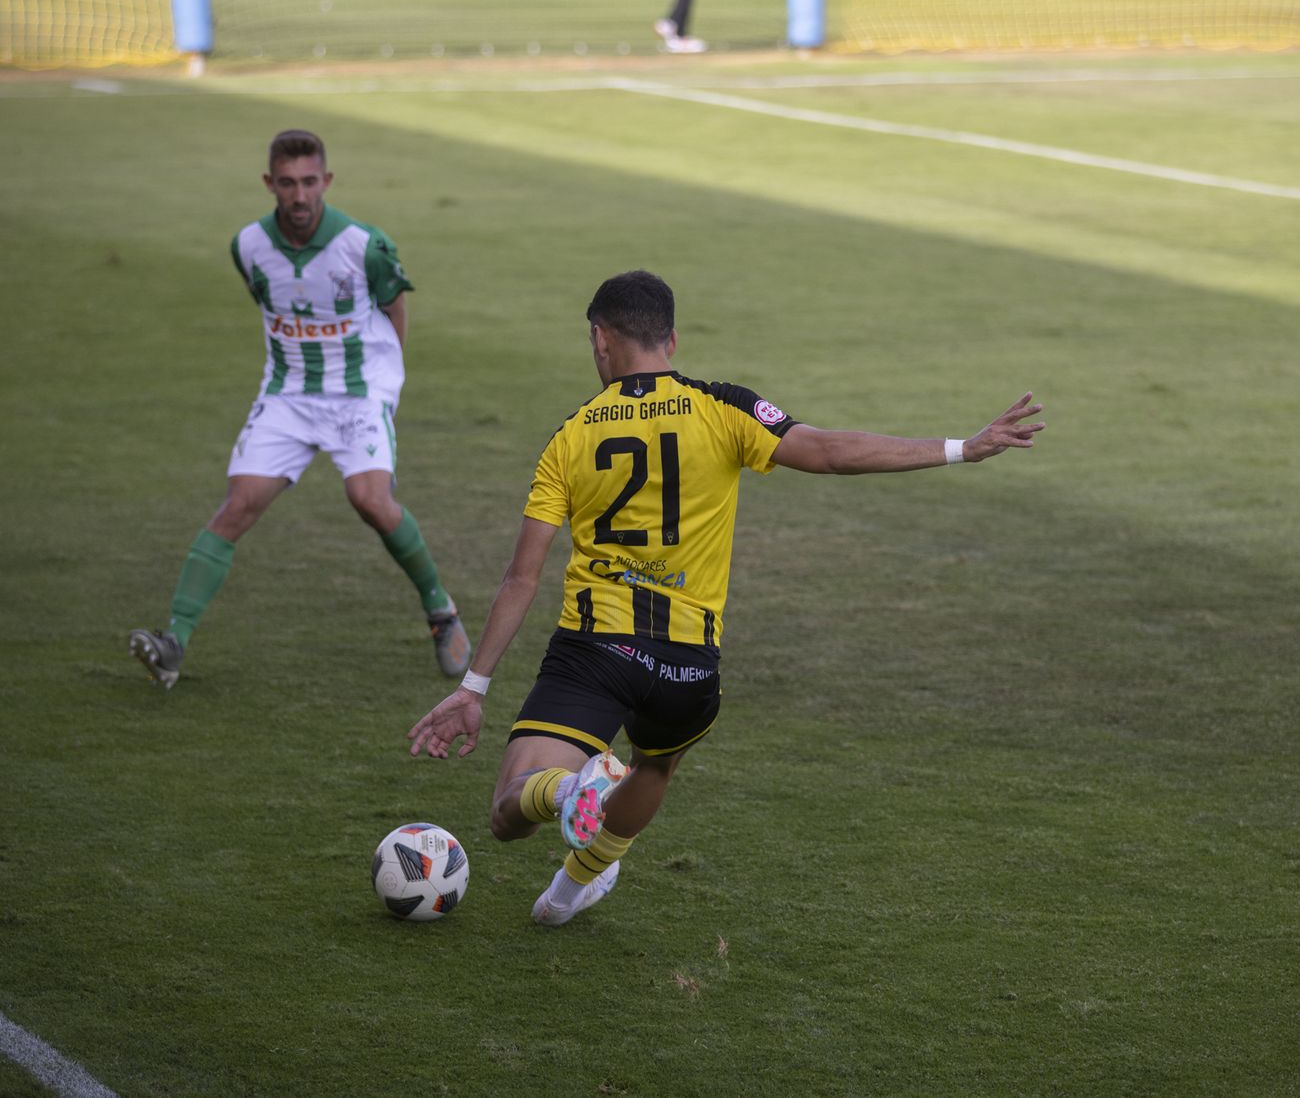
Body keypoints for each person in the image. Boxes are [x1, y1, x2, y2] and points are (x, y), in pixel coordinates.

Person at [406, 270, 1044, 926]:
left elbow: (521, 578)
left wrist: (474, 687)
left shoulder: (571, 437)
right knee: (654, 765)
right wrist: (963, 447)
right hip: (687, 667)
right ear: (672, 340)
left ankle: (568, 789)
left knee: (512, 810)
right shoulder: (723, 408)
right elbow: (827, 452)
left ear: (600, 340)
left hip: (596, 651)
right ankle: (568, 893)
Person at [129, 129, 470, 689]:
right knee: (236, 507)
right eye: (287, 184)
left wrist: (388, 382)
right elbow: (271, 302)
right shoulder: (247, 247)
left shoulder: (365, 246)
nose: (300, 196)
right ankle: (173, 643)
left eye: (310, 182)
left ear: (327, 182)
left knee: (370, 500)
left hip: (358, 394)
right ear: (270, 185)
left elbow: (394, 307)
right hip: (288, 395)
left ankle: (440, 609)